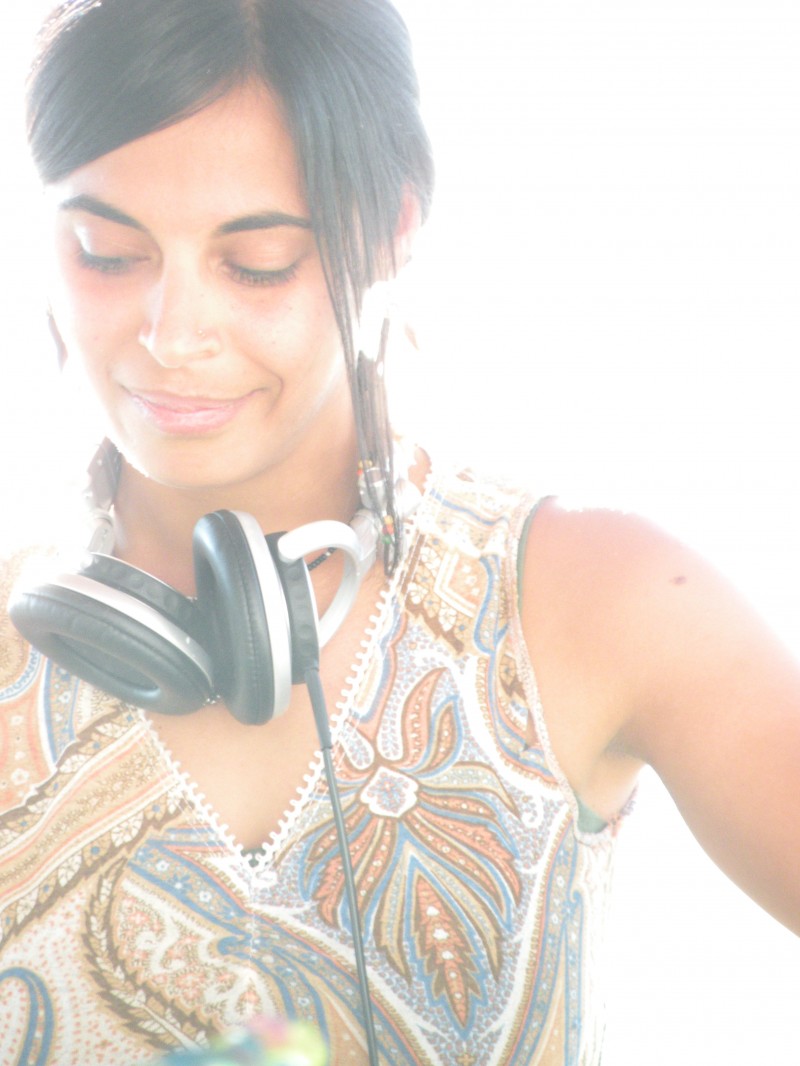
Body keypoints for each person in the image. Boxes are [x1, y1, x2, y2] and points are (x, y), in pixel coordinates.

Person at [0, 0, 797, 1063]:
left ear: (392, 230)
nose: (171, 334)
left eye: (258, 262)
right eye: (106, 253)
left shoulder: (603, 602)